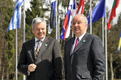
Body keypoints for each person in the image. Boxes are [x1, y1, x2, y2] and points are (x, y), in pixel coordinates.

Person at [64, 14, 105, 80]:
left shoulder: (93, 40)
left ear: (85, 25)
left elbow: (100, 66)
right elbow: (66, 66)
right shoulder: (68, 43)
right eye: (74, 23)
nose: (76, 25)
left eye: (79, 23)